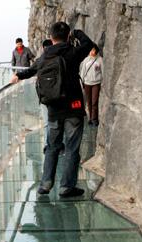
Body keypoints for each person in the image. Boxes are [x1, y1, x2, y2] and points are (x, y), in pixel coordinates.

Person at [11, 22, 95, 197]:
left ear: (51, 37)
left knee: (52, 147)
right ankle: (66, 187)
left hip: (54, 109)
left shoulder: (44, 57)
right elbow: (89, 45)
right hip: (73, 108)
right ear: (67, 36)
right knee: (72, 148)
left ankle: (46, 184)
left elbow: (31, 70)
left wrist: (18, 75)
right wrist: (77, 33)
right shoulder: (72, 52)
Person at [80, 45, 103, 126]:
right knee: (89, 101)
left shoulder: (100, 60)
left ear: (96, 51)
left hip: (96, 83)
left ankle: (95, 119)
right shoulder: (86, 60)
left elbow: (103, 71)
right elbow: (82, 72)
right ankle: (90, 118)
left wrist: (102, 81)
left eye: (93, 50)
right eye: (90, 50)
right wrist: (81, 81)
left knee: (94, 101)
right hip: (87, 83)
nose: (91, 52)